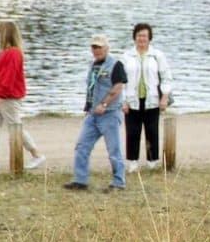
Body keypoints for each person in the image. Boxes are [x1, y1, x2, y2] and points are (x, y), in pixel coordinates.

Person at [0, 21, 46, 171]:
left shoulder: (13, 53)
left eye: (0, 32)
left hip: (8, 97)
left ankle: (36, 154)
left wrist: (1, 94)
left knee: (14, 126)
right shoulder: (1, 53)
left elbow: (9, 76)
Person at [63, 34, 127, 192]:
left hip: (110, 114)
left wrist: (105, 103)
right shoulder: (93, 65)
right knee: (82, 146)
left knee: (114, 150)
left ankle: (118, 183)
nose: (97, 50)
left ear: (107, 48)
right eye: (94, 47)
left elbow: (118, 87)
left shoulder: (116, 64)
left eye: (99, 47)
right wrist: (89, 107)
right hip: (92, 115)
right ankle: (80, 180)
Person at [121, 23, 172, 173]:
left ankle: (152, 161)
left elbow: (166, 77)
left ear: (149, 38)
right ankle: (132, 162)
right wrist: (123, 101)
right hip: (132, 100)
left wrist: (164, 97)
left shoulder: (157, 55)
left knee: (152, 130)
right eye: (138, 36)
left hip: (152, 99)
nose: (141, 38)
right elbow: (120, 81)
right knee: (132, 131)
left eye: (144, 35)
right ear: (134, 38)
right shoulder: (126, 56)